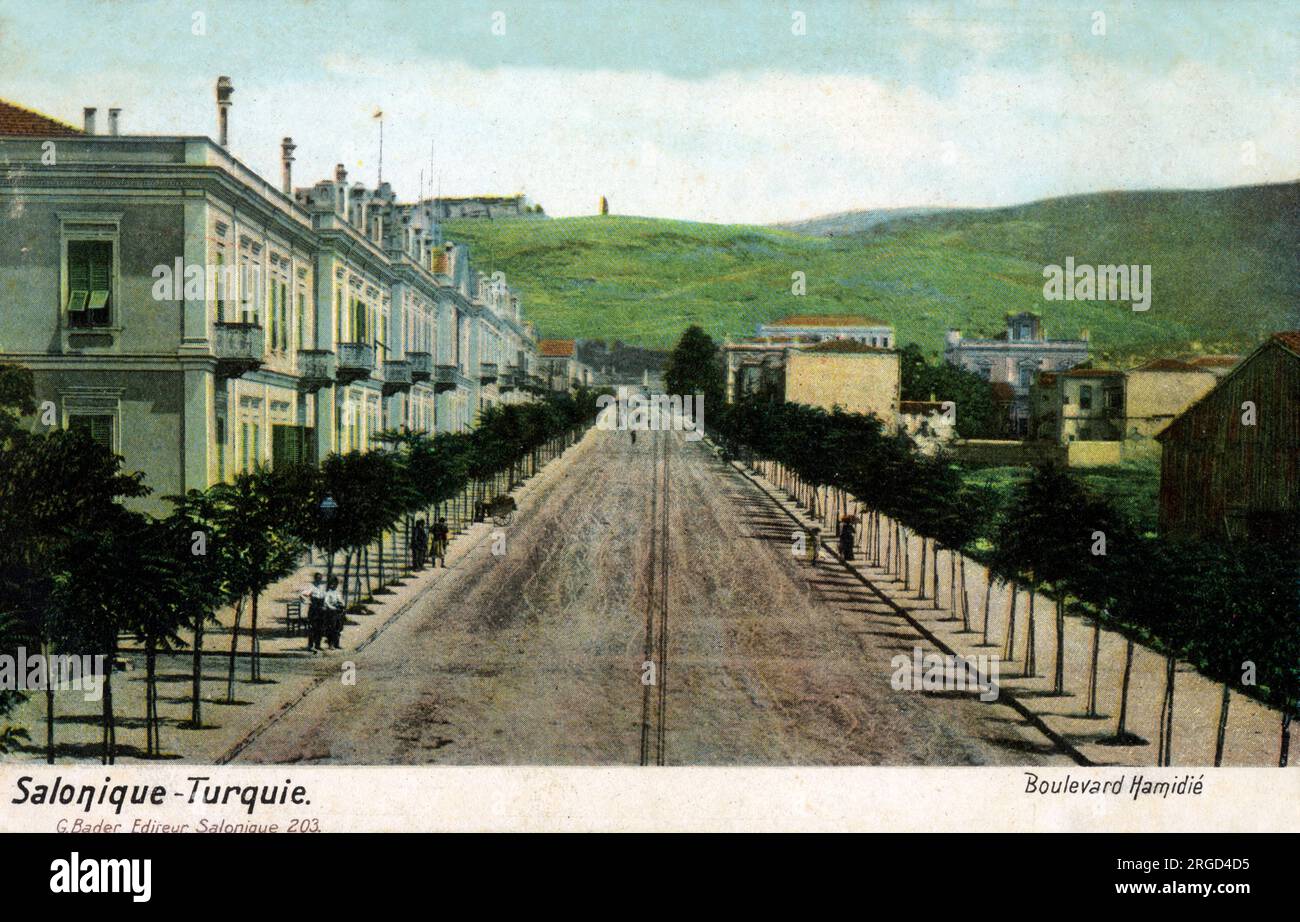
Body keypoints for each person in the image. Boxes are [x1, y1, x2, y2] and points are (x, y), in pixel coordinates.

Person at [300, 573, 325, 653]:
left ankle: (318, 645)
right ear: (315, 579)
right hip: (314, 610)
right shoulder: (311, 586)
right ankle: (310, 646)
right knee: (312, 628)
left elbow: (324, 597)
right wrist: (308, 602)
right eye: (317, 578)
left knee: (320, 628)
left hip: (321, 609)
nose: (319, 580)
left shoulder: (322, 587)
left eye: (320, 578)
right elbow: (302, 595)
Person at [323, 575, 345, 650]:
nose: (334, 585)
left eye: (336, 583)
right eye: (332, 583)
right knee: (331, 628)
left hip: (338, 613)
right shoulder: (328, 593)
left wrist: (341, 604)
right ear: (330, 584)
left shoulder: (337, 592)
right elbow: (326, 603)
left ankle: (337, 644)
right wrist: (333, 607)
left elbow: (341, 600)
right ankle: (330, 644)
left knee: (338, 628)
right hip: (331, 613)